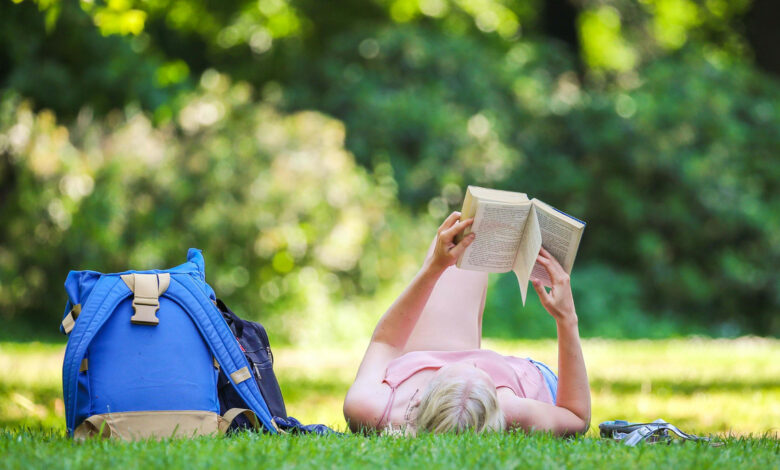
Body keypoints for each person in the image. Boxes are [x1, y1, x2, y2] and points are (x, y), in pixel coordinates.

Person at [343, 211, 591, 435]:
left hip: (427, 361)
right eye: (480, 369)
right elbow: (577, 416)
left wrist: (435, 267)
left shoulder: (371, 406)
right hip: (530, 378)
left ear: (419, 399)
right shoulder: (515, 410)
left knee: (468, 238)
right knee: (472, 238)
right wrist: (567, 318)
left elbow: (386, 341)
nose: (471, 358)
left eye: (455, 365)